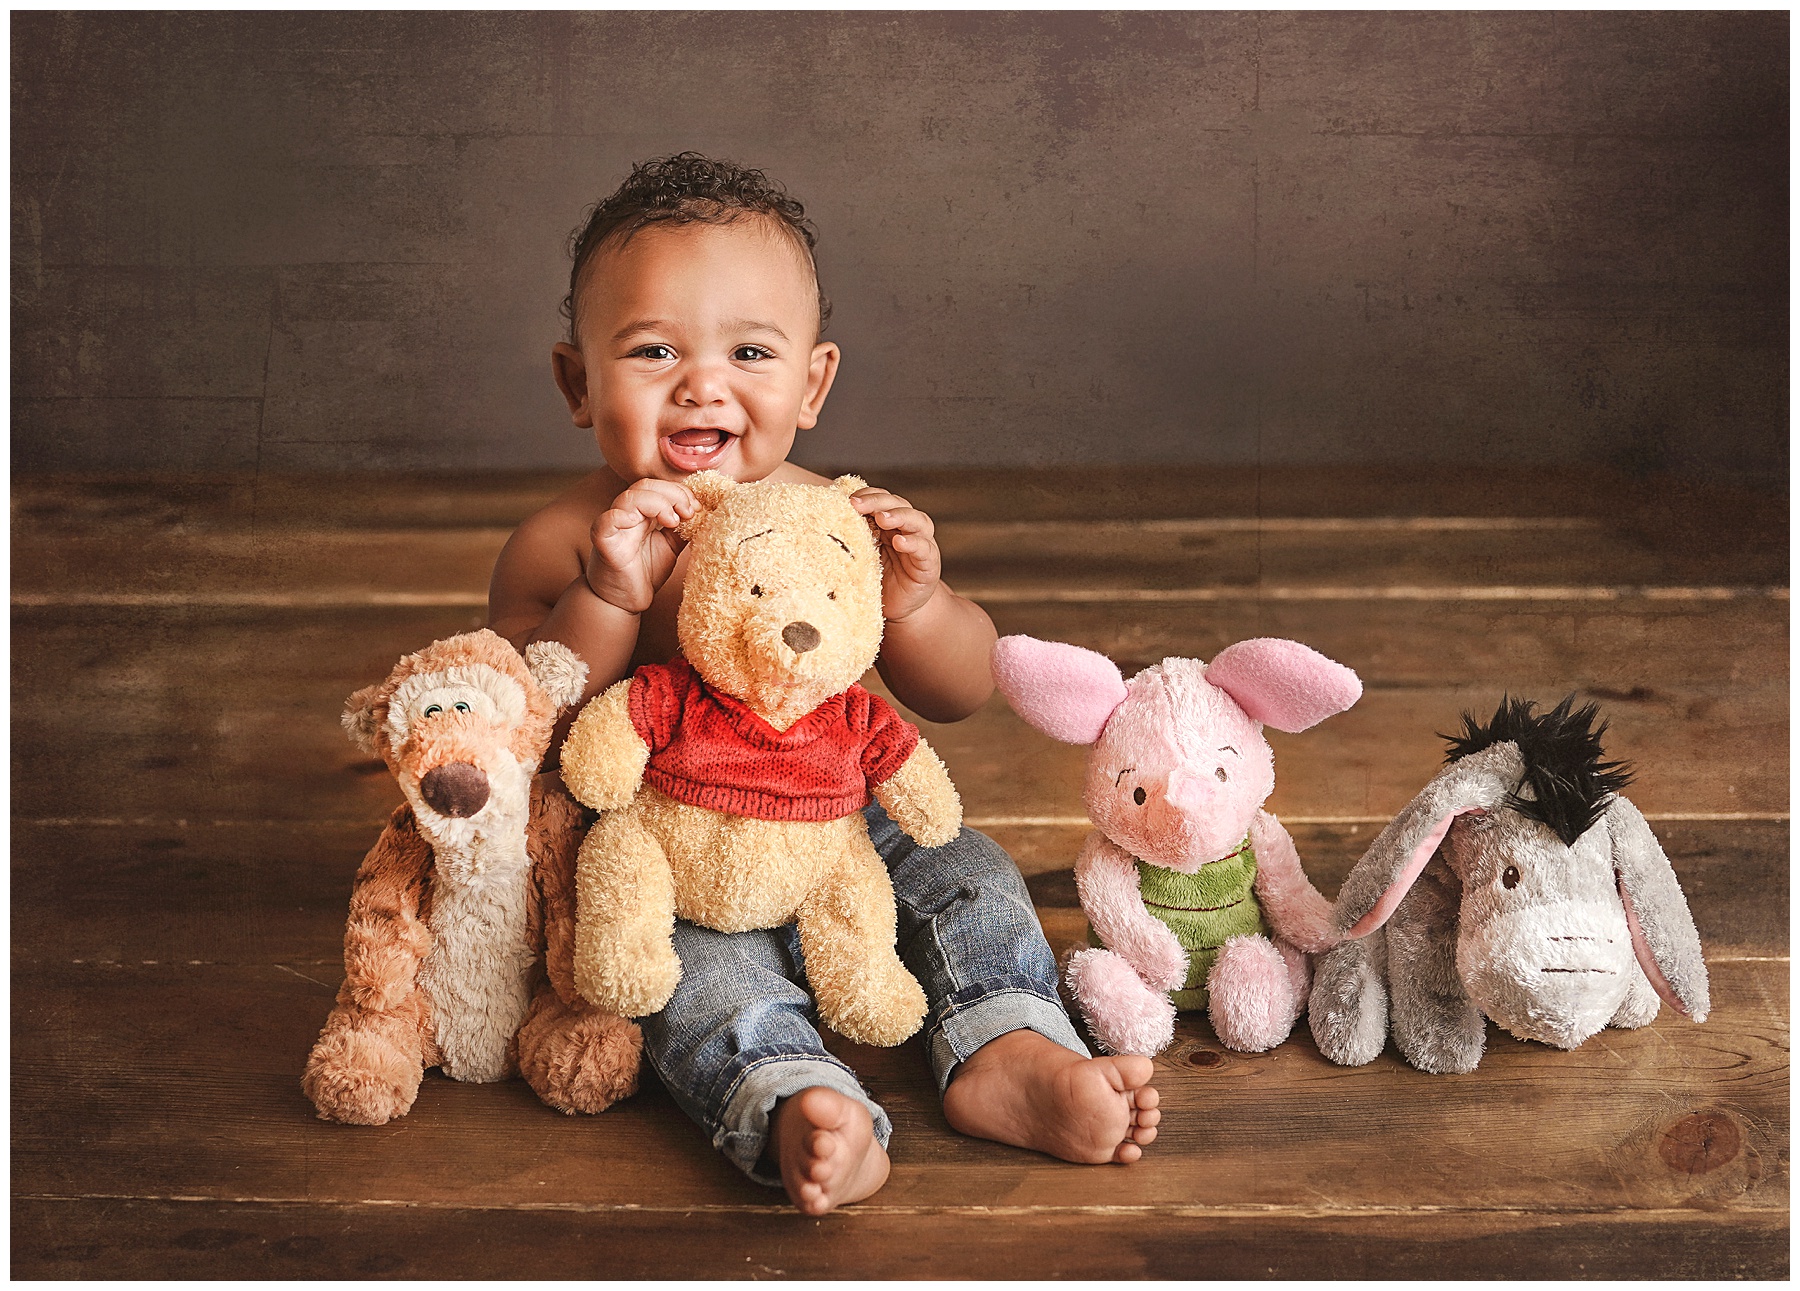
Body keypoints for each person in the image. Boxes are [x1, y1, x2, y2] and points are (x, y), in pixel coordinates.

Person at [488, 152, 1159, 1215]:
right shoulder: (565, 542)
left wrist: (917, 605)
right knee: (692, 984)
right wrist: (611, 599)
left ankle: (1007, 1046)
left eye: (749, 350)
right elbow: (523, 723)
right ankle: (797, 1100)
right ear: (579, 383)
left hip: (843, 825)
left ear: (811, 382)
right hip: (673, 856)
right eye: (653, 349)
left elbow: (960, 690)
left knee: (966, 869)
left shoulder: (836, 522)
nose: (702, 382)